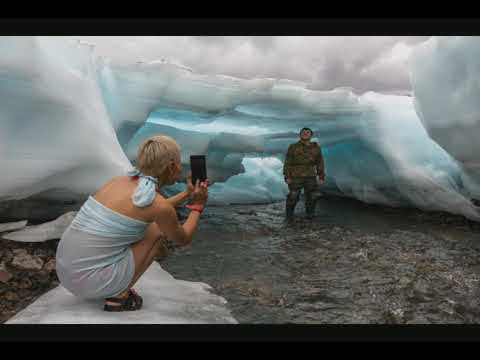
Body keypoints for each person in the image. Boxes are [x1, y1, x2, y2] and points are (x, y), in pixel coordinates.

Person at [56, 135, 209, 312]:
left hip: (66, 275)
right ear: (172, 166)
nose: (181, 167)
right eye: (179, 162)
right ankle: (118, 297)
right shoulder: (157, 205)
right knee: (155, 231)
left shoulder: (117, 182)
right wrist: (198, 205)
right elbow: (183, 238)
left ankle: (112, 282)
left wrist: (186, 194)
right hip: (89, 283)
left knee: (149, 225)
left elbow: (147, 209)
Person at [283, 127, 325, 220]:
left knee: (313, 196)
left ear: (311, 135)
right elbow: (287, 163)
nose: (305, 134)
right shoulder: (293, 147)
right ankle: (289, 216)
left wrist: (321, 176)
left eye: (308, 132)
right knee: (293, 196)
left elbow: (320, 162)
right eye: (303, 132)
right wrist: (287, 176)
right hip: (295, 175)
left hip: (310, 175)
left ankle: (310, 215)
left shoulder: (316, 147)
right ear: (300, 134)